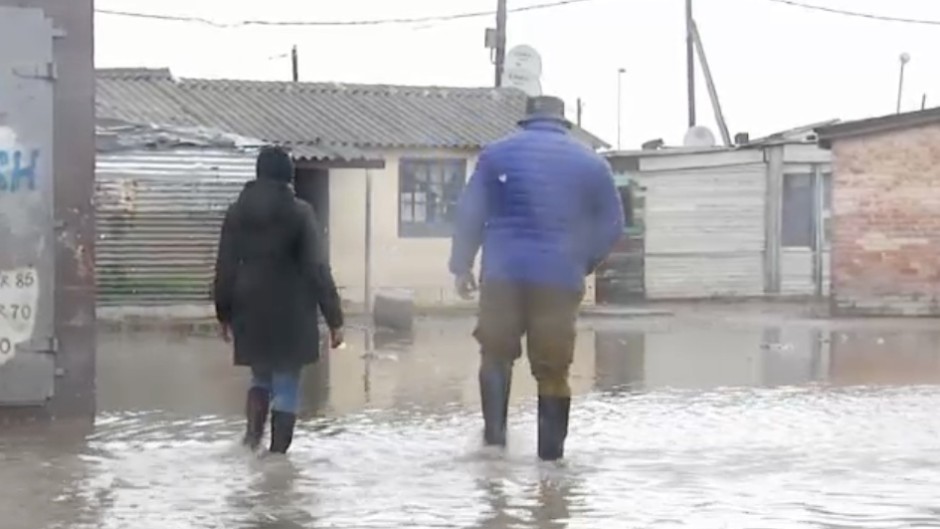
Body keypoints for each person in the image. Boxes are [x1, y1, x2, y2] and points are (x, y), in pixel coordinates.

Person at [449, 95, 624, 461]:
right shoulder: (591, 163)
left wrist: (461, 264)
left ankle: (494, 448)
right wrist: (583, 261)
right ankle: (551, 464)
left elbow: (470, 213)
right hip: (559, 280)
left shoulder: (496, 155)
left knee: (495, 356)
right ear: (564, 122)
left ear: (525, 121)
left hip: (502, 276)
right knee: (553, 370)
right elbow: (612, 224)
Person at [213, 145, 344, 455]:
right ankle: (277, 461)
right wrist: (335, 318)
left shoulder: (236, 212)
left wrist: (224, 313)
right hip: (292, 311)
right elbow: (317, 268)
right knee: (286, 381)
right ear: (288, 176)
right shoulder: (300, 213)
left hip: (250, 308)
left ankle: (250, 444)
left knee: (260, 376)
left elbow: (225, 266)